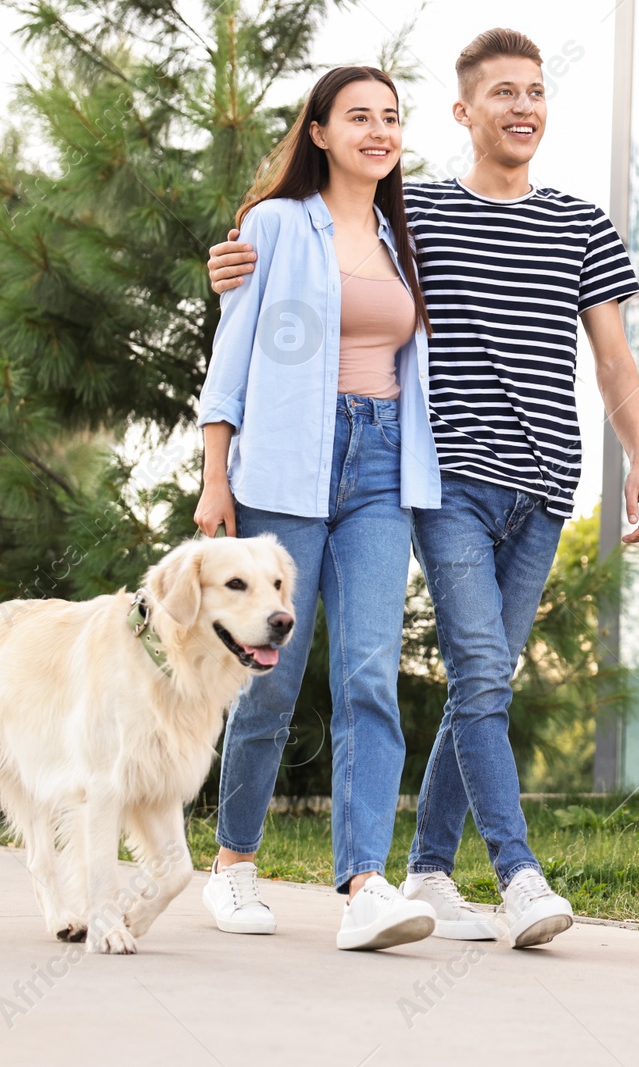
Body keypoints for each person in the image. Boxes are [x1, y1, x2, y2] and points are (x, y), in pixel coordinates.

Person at [208, 28, 639, 949]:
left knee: (414, 675)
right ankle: (244, 862)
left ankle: (388, 879)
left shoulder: (439, 226)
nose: (524, 106)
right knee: (290, 679)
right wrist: (214, 471)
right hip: (366, 468)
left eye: (536, 91)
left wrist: (638, 459)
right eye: (503, 93)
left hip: (451, 473)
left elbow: (612, 357)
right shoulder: (348, 220)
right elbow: (244, 335)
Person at [193, 64, 441, 951]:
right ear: (321, 132)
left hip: (380, 465)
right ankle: (231, 864)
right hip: (288, 465)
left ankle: (365, 884)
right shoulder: (271, 228)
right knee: (270, 675)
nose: (379, 131)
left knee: (369, 674)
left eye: (392, 117)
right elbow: (231, 361)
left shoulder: (400, 235)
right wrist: (216, 476)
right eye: (359, 117)